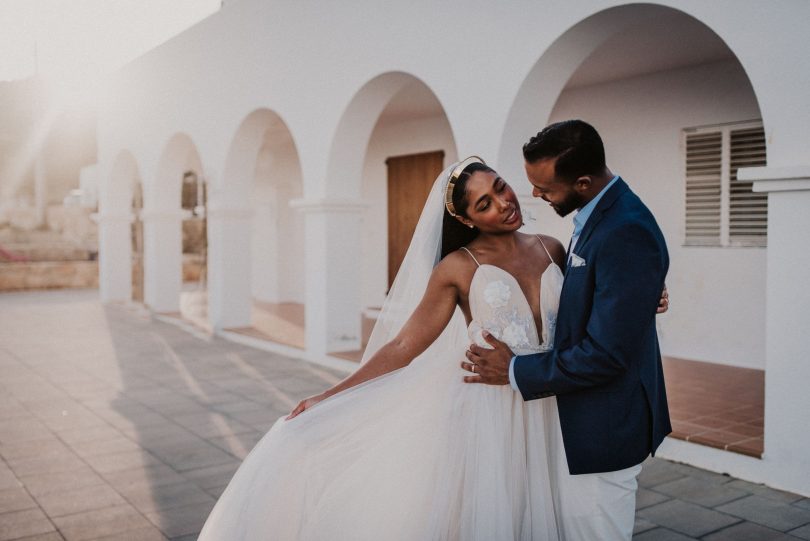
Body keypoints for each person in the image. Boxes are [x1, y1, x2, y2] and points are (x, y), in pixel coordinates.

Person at [198, 155, 668, 540]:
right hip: (492, 415)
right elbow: (404, 344)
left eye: (501, 187)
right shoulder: (457, 268)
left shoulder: (553, 247)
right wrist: (330, 395)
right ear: (465, 219)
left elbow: (594, 308)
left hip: (557, 404)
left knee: (563, 517)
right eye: (484, 204)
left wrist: (644, 298)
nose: (503, 203)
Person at [463, 120, 671, 541]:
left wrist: (516, 370)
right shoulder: (598, 212)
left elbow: (606, 355)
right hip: (577, 421)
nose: (534, 195)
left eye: (545, 188)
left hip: (605, 427)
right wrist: (640, 298)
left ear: (581, 182)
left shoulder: (624, 229)